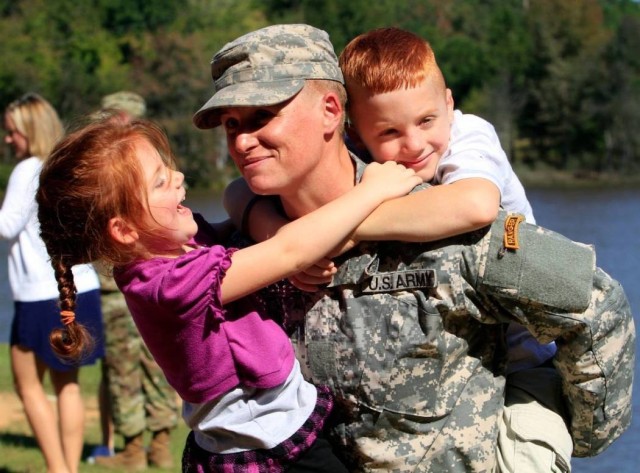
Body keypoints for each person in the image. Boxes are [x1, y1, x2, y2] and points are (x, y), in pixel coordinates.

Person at [193, 24, 635, 472]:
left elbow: (597, 304)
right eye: (232, 125)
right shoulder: (244, 253)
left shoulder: (446, 224)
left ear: (331, 111)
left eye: (262, 117)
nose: (242, 141)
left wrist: (566, 435)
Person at [35, 117, 421, 472]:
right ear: (124, 230)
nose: (178, 175)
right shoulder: (169, 284)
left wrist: (275, 237)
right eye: (159, 182)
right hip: (264, 445)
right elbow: (289, 251)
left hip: (272, 427)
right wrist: (372, 190)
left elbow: (245, 224)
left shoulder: (175, 247)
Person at [1, 92, 104, 473]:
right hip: (78, 289)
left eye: (12, 132)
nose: (8, 139)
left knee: (27, 387)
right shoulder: (67, 167)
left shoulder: (27, 168)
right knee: (69, 386)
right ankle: (69, 471)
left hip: (41, 295)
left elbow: (6, 225)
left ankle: (58, 469)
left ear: (29, 130)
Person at [87, 91, 180, 471]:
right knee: (137, 367)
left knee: (142, 367)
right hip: (135, 285)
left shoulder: (132, 166)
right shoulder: (135, 166)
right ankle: (145, 445)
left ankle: (146, 446)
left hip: (134, 284)